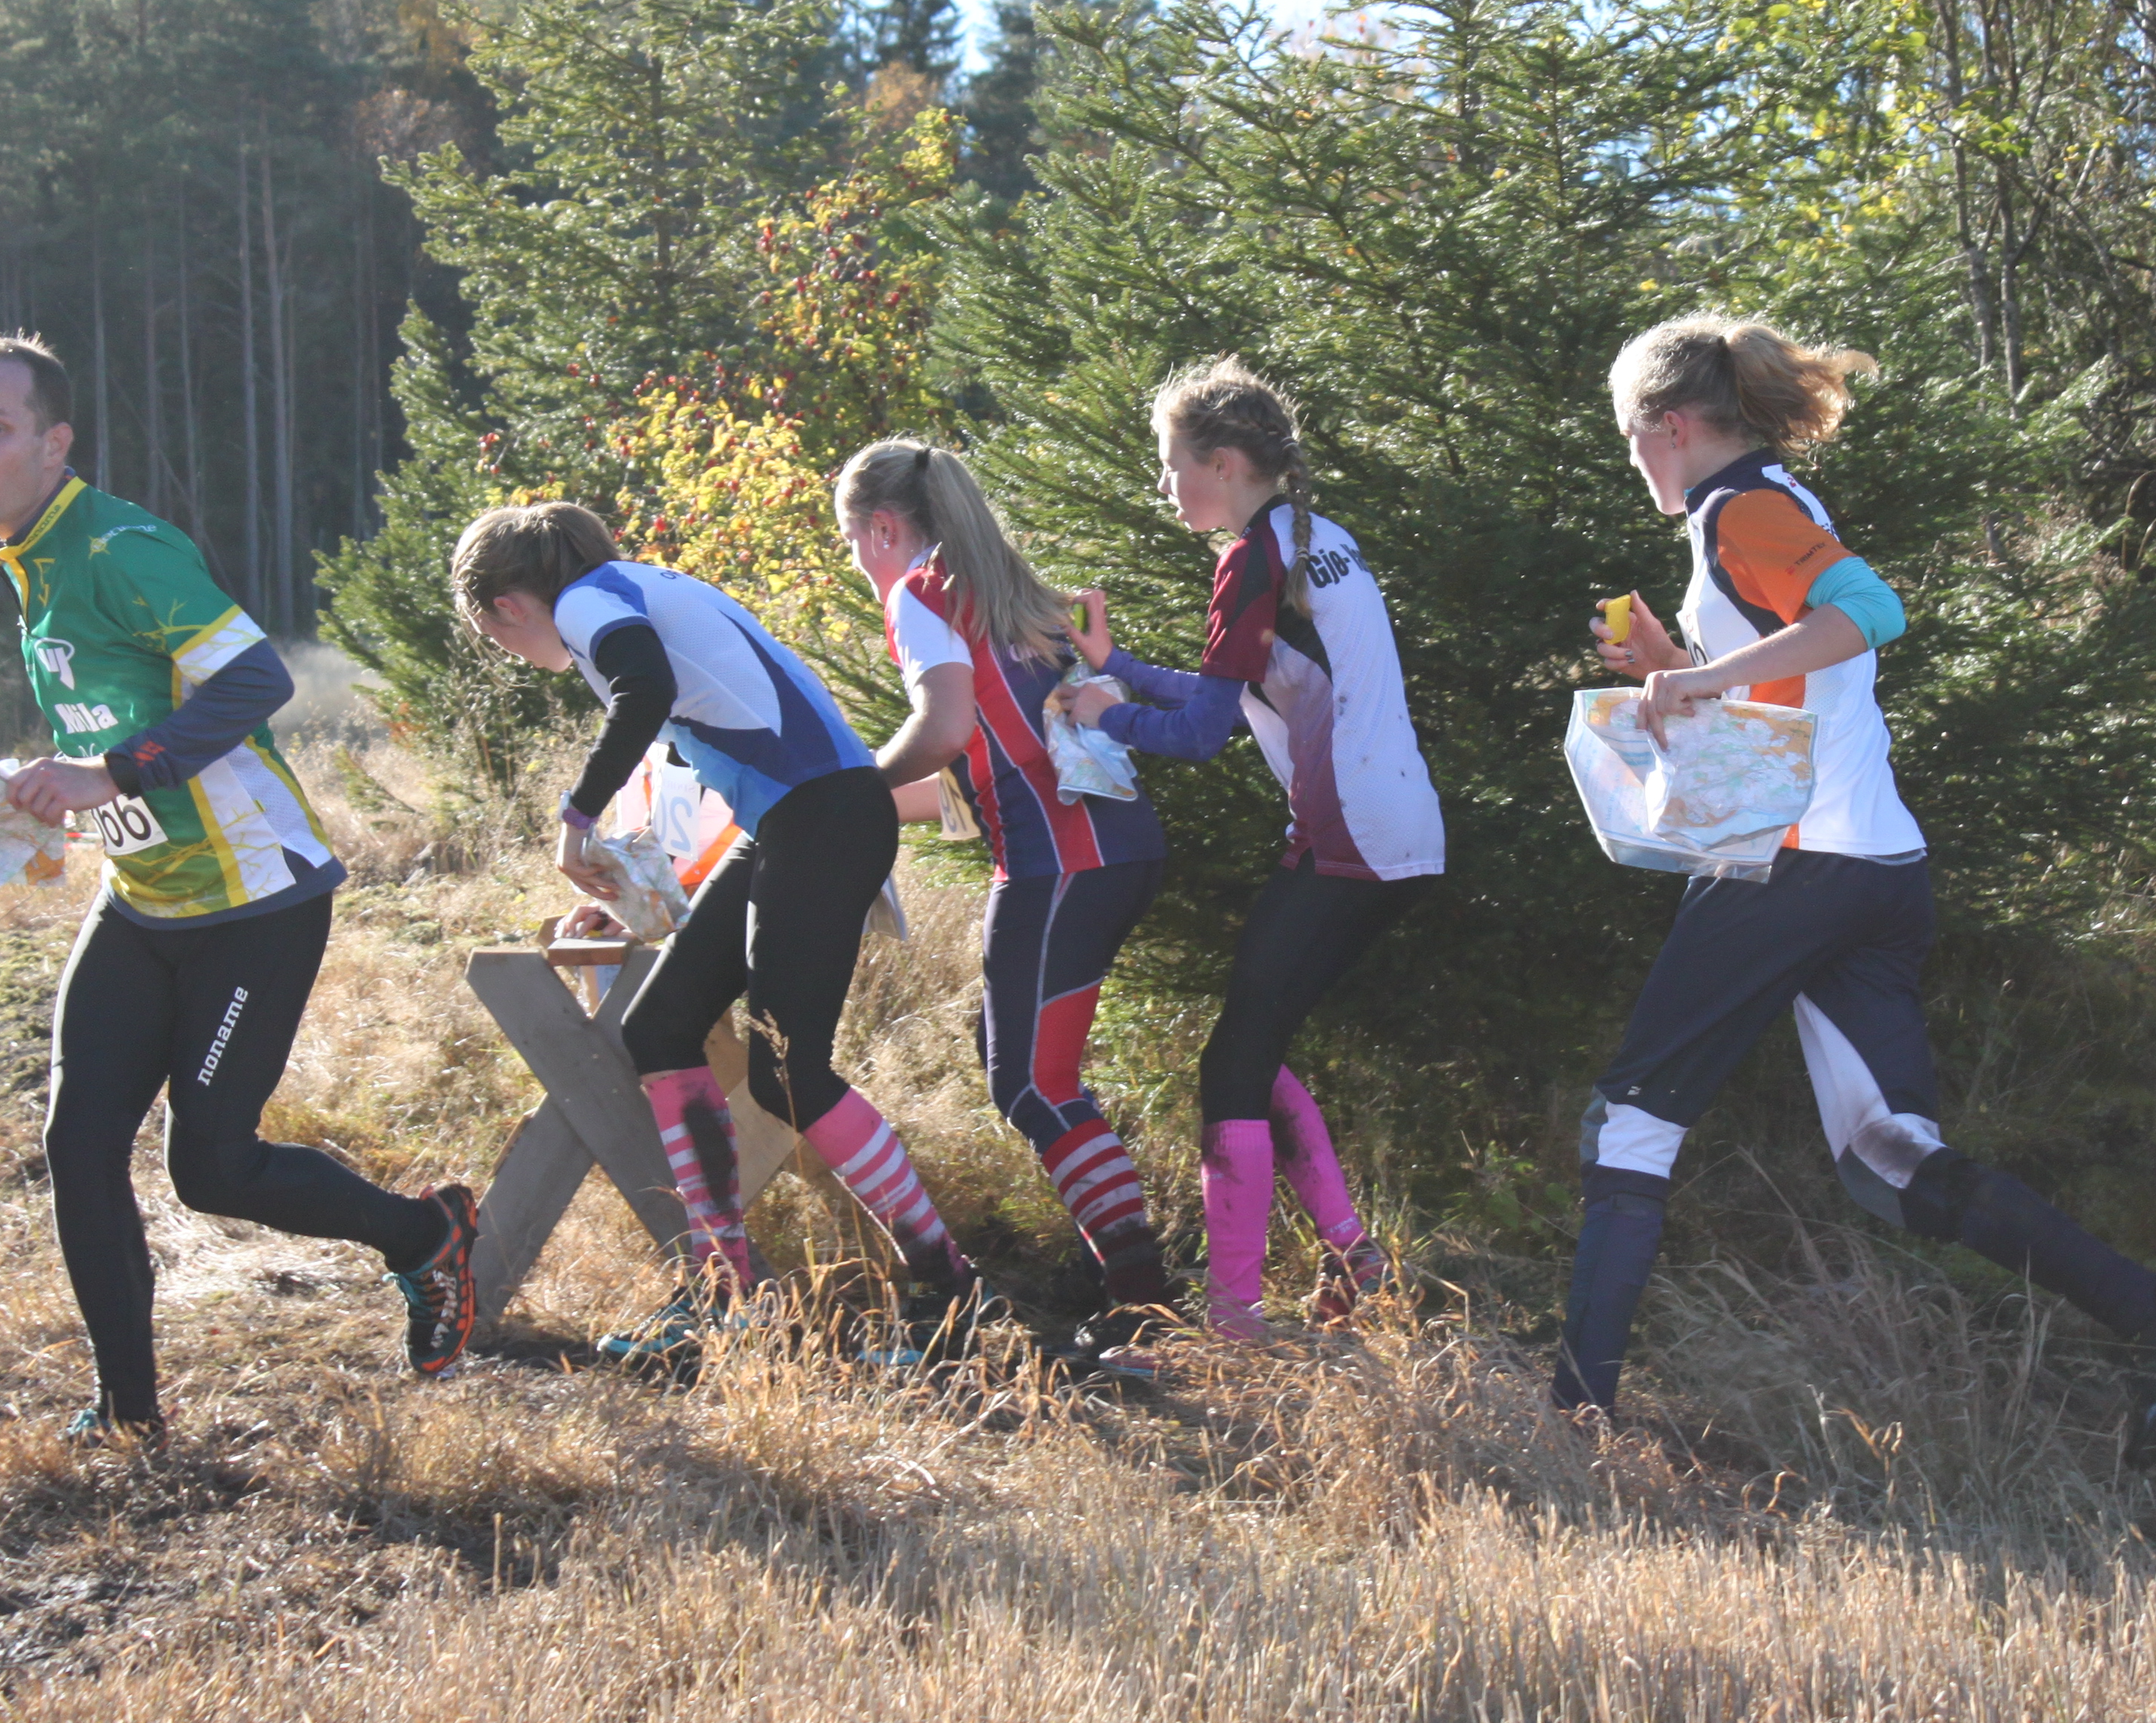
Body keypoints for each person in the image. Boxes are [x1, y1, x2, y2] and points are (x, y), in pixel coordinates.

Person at [1564, 314, 2156, 1463]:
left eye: (1631, 437)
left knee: (1632, 1119)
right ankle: (2155, 1314)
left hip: (1791, 868)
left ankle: (1574, 1423)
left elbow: (1871, 617)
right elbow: (1802, 684)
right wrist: (1677, 670)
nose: (1632, 461)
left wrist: (1705, 671)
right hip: (1877, 870)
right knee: (1887, 1154)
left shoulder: (1744, 510)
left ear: (1671, 426)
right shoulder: (1760, 510)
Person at [0, 334, 478, 1448]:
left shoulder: (121, 545)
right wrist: (18, 806)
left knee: (210, 1169)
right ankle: (130, 1415)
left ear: (53, 441)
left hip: (254, 905)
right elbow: (107, 721)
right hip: (143, 901)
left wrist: (114, 774)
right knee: (78, 1148)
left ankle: (422, 1237)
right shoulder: (25, 557)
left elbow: (257, 677)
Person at [451, 502, 984, 1350]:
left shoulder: (587, 601)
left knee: (788, 1074)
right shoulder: (630, 588)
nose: (507, 650)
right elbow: (719, 730)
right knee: (660, 1028)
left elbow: (647, 691)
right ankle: (724, 1292)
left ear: (508, 607)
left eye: (492, 636)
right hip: (798, 821)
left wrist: (575, 818)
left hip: (823, 820)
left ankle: (952, 1297)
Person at [1061, 358, 1438, 1342]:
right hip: (1389, 827)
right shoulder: (1314, 539)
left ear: (1223, 464)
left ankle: (1233, 1325)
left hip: (1348, 835)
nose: (1163, 487)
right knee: (1253, 1043)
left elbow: (1198, 734)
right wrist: (1117, 671)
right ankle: (1354, 1258)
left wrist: (1103, 718)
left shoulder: (1250, 560)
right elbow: (1228, 690)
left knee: (1233, 1067)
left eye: (1170, 465)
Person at [837, 440, 1179, 1378]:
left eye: (853, 546)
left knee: (1034, 1084)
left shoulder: (923, 594)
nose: (860, 566)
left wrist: (849, 793)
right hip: (1112, 849)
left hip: (1058, 865)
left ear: (883, 529)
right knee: (1020, 1060)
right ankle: (1118, 1270)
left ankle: (1143, 1311)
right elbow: (984, 756)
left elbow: (945, 727)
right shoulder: (1005, 588)